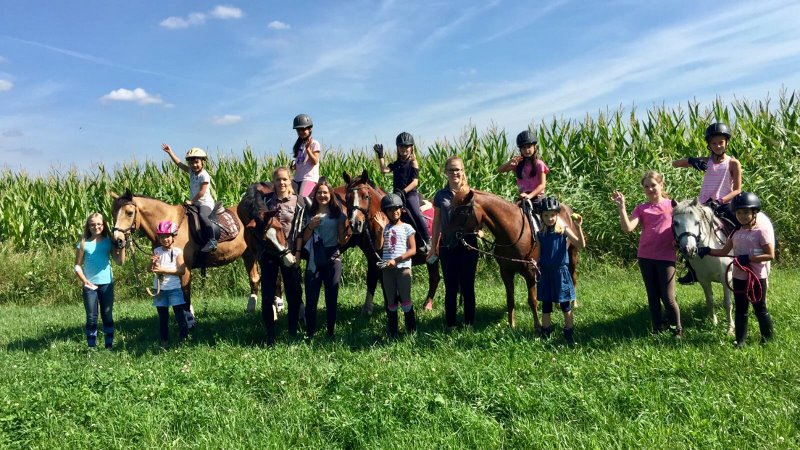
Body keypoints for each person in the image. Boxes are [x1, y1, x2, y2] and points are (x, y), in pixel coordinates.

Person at [611, 171, 682, 336]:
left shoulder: (673, 205)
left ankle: (677, 330)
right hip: (646, 256)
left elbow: (682, 225)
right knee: (653, 296)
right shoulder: (641, 208)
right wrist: (621, 208)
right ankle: (657, 329)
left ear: (661, 185)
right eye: (646, 186)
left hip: (666, 256)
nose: (650, 189)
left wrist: (677, 241)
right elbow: (627, 228)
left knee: (668, 297)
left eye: (653, 185)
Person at [699, 192, 774, 348]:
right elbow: (724, 251)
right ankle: (740, 341)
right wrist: (708, 251)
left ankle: (767, 339)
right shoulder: (735, 232)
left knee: (760, 308)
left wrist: (749, 258)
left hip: (756, 277)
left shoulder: (761, 232)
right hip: (739, 276)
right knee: (741, 309)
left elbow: (770, 255)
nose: (742, 216)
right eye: (739, 213)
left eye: (746, 212)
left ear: (754, 212)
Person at [672, 122, 741, 283]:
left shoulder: (733, 163)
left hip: (723, 204)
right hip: (702, 205)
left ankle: (742, 258)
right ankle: (691, 269)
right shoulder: (706, 161)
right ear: (709, 145)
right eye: (714, 143)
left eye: (721, 142)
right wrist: (692, 160)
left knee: (739, 227)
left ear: (727, 142)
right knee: (686, 231)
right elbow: (675, 164)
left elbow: (737, 189)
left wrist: (720, 201)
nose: (718, 146)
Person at [427, 156, 478, 330]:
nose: (455, 173)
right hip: (448, 245)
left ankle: (469, 323)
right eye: (451, 170)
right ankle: (450, 324)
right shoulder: (440, 196)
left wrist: (480, 229)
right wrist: (433, 247)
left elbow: (479, 217)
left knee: (468, 285)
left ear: (463, 171)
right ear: (445, 172)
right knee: (450, 286)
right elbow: (436, 223)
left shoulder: (471, 194)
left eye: (457, 169)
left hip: (468, 244)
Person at [297, 178, 351, 338]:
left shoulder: (339, 215)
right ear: (315, 195)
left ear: (331, 194)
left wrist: (343, 232)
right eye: (319, 192)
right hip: (314, 258)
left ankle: (330, 332)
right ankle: (310, 333)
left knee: (331, 296)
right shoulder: (309, 213)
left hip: (332, 257)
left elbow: (342, 241)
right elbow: (304, 238)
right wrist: (310, 226)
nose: (322, 195)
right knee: (311, 297)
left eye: (325, 193)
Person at [260, 167, 305, 345]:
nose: (281, 183)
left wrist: (298, 253)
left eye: (285, 179)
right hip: (269, 254)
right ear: (273, 181)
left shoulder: (298, 201)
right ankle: (270, 334)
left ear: (290, 180)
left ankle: (292, 331)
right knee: (267, 295)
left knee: (293, 293)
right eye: (278, 179)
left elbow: (300, 230)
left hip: (289, 253)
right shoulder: (265, 201)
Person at [536, 196, 585, 345]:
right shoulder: (540, 234)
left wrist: (578, 227)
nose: (549, 218)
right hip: (545, 274)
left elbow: (580, 245)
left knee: (565, 304)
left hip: (560, 273)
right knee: (546, 305)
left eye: (552, 215)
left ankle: (569, 332)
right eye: (546, 215)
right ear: (541, 216)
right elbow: (539, 255)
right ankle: (546, 332)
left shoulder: (563, 231)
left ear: (557, 215)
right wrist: (535, 263)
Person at [73, 213, 125, 349]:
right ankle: (92, 347)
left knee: (107, 314)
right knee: (91, 317)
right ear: (88, 226)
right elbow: (77, 265)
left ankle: (109, 345)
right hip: (89, 285)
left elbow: (119, 262)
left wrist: (122, 248)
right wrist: (85, 281)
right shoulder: (83, 244)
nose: (96, 227)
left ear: (103, 225)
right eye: (92, 224)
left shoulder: (109, 242)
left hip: (106, 283)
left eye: (99, 224)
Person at [374, 132, 431, 253]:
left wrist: (403, 192)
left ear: (411, 148)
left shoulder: (413, 162)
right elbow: (384, 170)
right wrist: (380, 156)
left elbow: (415, 182)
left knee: (415, 213)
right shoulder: (396, 163)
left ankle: (427, 240)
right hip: (397, 195)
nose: (404, 149)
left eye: (407, 146)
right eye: (401, 146)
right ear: (398, 148)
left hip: (409, 194)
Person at [374, 193, 417, 338]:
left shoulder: (407, 228)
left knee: (405, 299)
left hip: (403, 269)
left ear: (401, 209)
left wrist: (396, 260)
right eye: (390, 210)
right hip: (387, 270)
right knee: (390, 300)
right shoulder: (385, 228)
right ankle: (393, 332)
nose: (394, 212)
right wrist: (380, 230)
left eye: (397, 208)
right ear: (386, 212)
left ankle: (411, 330)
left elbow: (412, 250)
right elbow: (378, 246)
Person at [162, 143, 218, 252]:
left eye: (197, 162)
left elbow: (202, 192)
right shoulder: (192, 172)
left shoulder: (204, 175)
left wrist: (192, 201)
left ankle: (212, 241)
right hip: (195, 203)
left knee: (203, 216)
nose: (194, 165)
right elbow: (179, 164)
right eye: (191, 163)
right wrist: (170, 152)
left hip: (204, 203)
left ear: (202, 162)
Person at [498, 129, 549, 233]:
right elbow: (500, 170)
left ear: (534, 147)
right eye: (523, 148)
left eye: (529, 147)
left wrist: (529, 196)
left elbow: (542, 185)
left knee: (544, 223)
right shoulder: (518, 165)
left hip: (537, 199)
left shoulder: (539, 164)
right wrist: (509, 162)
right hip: (522, 199)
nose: (526, 150)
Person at [149, 220, 189, 347]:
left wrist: (163, 270)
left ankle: (183, 340)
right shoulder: (157, 251)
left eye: (167, 236)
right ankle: (164, 341)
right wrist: (152, 263)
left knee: (179, 315)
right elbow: (149, 269)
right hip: (159, 289)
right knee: (163, 318)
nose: (164, 239)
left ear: (173, 237)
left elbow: (182, 271)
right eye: (161, 237)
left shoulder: (178, 252)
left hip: (174, 288)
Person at [290, 114, 321, 200]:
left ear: (310, 129)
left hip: (309, 179)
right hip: (297, 179)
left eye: (303, 129)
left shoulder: (315, 143)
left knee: (302, 199)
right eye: (298, 130)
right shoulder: (299, 145)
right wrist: (294, 166)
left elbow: (314, 161)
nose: (301, 132)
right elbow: (303, 162)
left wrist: (308, 149)